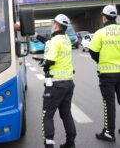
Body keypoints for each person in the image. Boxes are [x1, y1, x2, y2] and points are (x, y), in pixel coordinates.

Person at [42, 14, 76, 148]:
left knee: (47, 115)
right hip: (68, 82)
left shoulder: (55, 41)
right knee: (66, 114)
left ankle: (49, 145)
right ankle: (70, 143)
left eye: (53, 23)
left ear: (56, 25)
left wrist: (43, 63)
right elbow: (50, 42)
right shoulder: (66, 39)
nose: (52, 25)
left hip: (55, 83)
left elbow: (49, 61)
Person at [89, 4, 120, 142]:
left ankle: (109, 132)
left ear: (104, 17)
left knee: (109, 103)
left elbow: (93, 51)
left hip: (107, 74)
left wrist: (101, 61)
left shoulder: (100, 33)